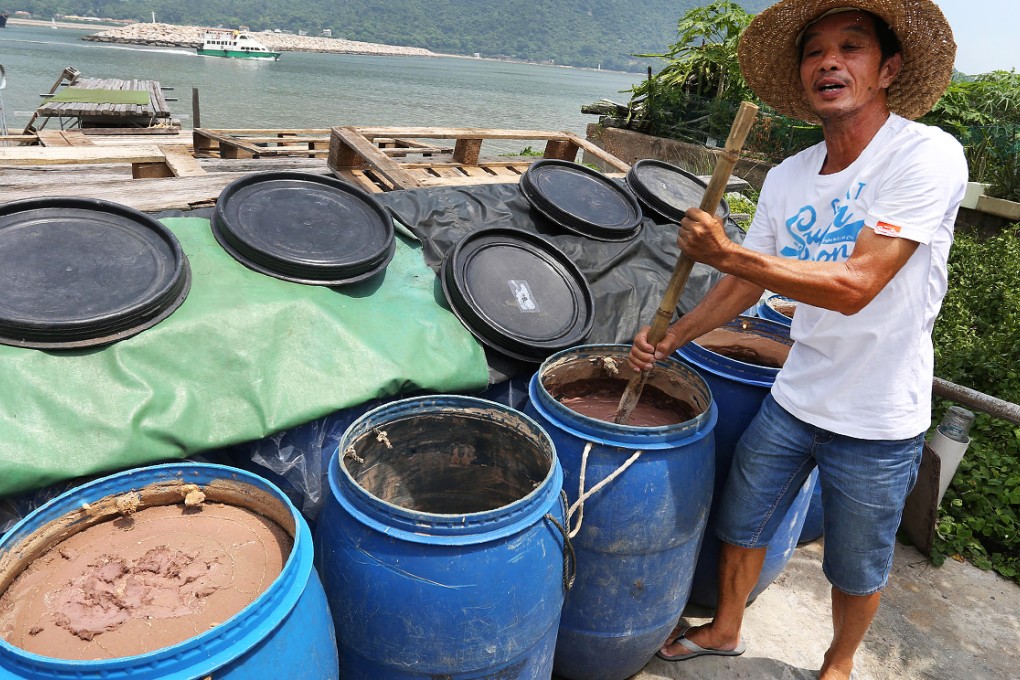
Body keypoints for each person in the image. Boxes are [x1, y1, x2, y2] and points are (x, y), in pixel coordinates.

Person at [626, 1, 967, 678]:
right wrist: (675, 336)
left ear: (888, 69)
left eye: (851, 47)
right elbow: (743, 288)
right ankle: (725, 628)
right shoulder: (788, 177)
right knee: (743, 521)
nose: (829, 62)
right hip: (795, 394)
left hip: (878, 418)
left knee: (857, 561)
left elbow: (858, 283)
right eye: (814, 52)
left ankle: (837, 665)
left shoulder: (925, 155)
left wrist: (728, 253)